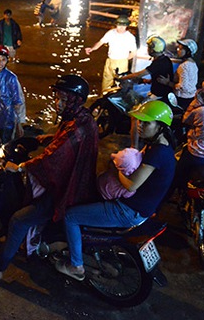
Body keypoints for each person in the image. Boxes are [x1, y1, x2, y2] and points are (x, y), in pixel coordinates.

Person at [0, 75, 99, 282]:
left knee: (18, 221)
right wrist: (38, 139)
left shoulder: (76, 127)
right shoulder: (83, 118)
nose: (58, 103)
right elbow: (59, 141)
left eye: (64, 100)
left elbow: (52, 159)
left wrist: (19, 167)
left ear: (75, 100)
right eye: (58, 98)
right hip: (79, 182)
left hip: (67, 190)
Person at [56, 100, 176, 280]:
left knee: (71, 216)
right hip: (143, 206)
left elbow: (131, 184)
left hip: (129, 210)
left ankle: (76, 266)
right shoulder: (161, 145)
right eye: (139, 122)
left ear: (161, 126)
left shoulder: (158, 153)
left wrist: (116, 167)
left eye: (146, 123)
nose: (140, 126)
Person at [120, 35, 173, 148]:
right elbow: (158, 75)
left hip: (157, 96)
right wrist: (148, 81)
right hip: (162, 93)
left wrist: (123, 77)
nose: (148, 49)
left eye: (149, 47)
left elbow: (140, 73)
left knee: (135, 116)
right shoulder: (164, 59)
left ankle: (134, 147)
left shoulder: (158, 63)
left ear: (153, 49)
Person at [85, 15, 137, 92]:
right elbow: (100, 42)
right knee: (106, 82)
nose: (121, 28)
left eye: (124, 26)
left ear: (127, 26)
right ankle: (104, 98)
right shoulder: (110, 33)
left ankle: (116, 100)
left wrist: (124, 60)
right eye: (119, 25)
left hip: (121, 62)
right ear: (116, 25)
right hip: (109, 61)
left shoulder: (130, 37)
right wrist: (92, 49)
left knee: (119, 84)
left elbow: (133, 52)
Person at [157, 39, 199, 110]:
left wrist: (167, 83)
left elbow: (183, 86)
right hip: (190, 97)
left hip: (181, 99)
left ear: (188, 52)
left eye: (180, 49)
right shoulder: (193, 63)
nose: (178, 50)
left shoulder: (184, 66)